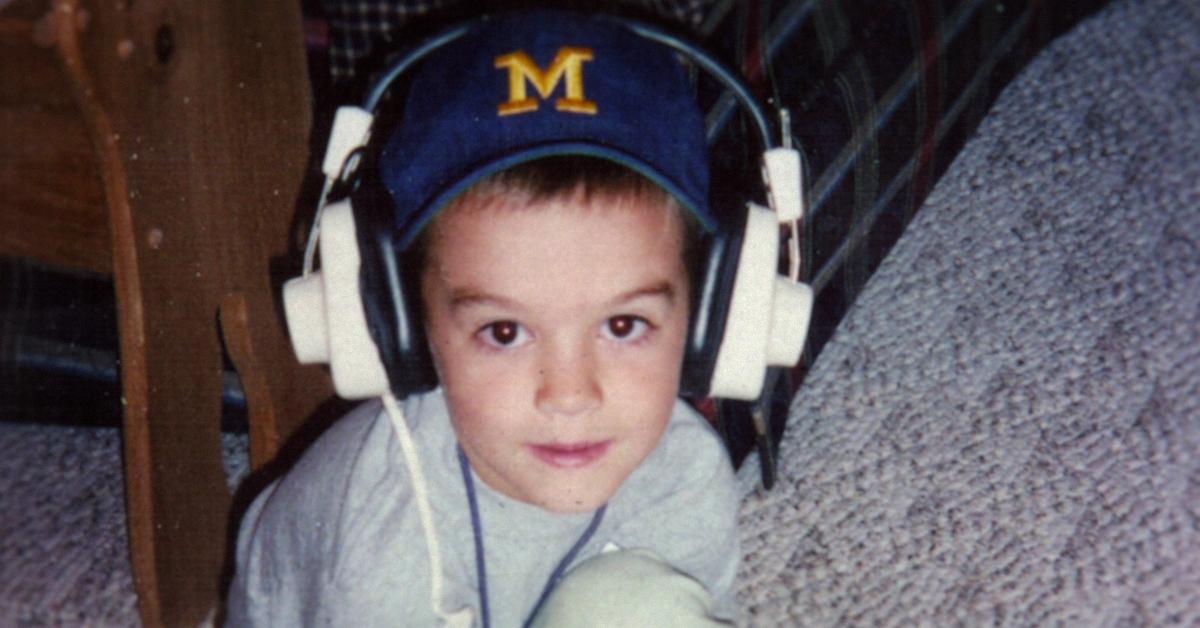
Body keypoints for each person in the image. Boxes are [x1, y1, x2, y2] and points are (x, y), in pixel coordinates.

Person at [227, 9, 743, 626]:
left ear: (714, 315)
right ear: (400, 330)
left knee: (642, 606)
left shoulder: (687, 477)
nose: (570, 396)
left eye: (624, 325)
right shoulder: (375, 556)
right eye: (505, 332)